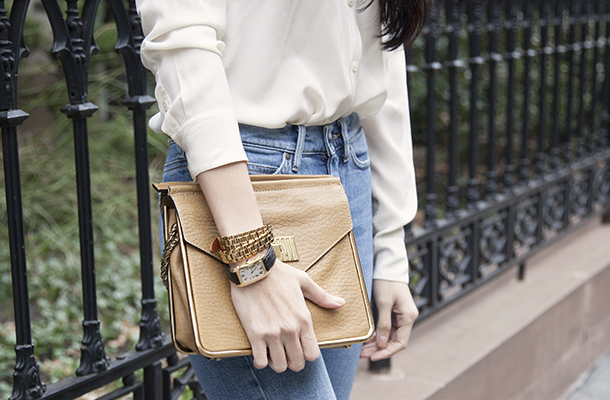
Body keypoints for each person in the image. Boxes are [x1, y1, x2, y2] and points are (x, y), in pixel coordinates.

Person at [136, 0, 427, 398]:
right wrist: (251, 260)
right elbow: (182, 49)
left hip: (347, 166)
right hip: (239, 180)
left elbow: (380, 56)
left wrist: (390, 245)